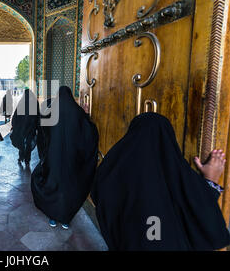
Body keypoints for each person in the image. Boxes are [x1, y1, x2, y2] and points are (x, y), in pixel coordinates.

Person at [91, 112, 230, 251]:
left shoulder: (110, 169)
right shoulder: (178, 174)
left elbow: (100, 197)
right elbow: (202, 214)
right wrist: (210, 181)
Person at [31, 86, 99, 230]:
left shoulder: (50, 111)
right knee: (69, 187)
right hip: (72, 159)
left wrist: (45, 153)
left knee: (53, 184)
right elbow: (89, 131)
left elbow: (42, 130)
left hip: (53, 158)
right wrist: (85, 114)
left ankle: (53, 218)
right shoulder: (77, 112)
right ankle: (66, 219)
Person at [10, 89, 40, 166]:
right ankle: (27, 159)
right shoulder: (35, 102)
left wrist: (13, 125)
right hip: (31, 127)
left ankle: (21, 156)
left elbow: (16, 115)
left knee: (21, 141)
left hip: (21, 127)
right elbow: (38, 116)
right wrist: (37, 127)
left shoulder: (22, 102)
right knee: (29, 143)